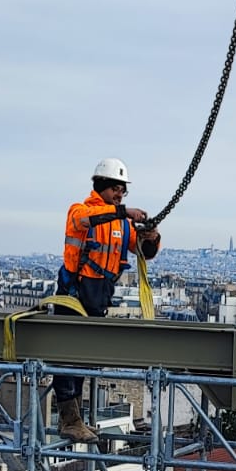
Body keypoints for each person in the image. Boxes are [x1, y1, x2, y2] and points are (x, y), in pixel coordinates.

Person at [53, 158, 161, 443]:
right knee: (66, 357)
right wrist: (123, 212)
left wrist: (151, 236)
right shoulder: (81, 211)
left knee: (81, 358)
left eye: (123, 191)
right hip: (74, 294)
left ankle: (75, 420)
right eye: (116, 189)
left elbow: (143, 252)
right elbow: (84, 221)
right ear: (102, 186)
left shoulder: (122, 224)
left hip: (98, 295)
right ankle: (69, 420)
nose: (120, 194)